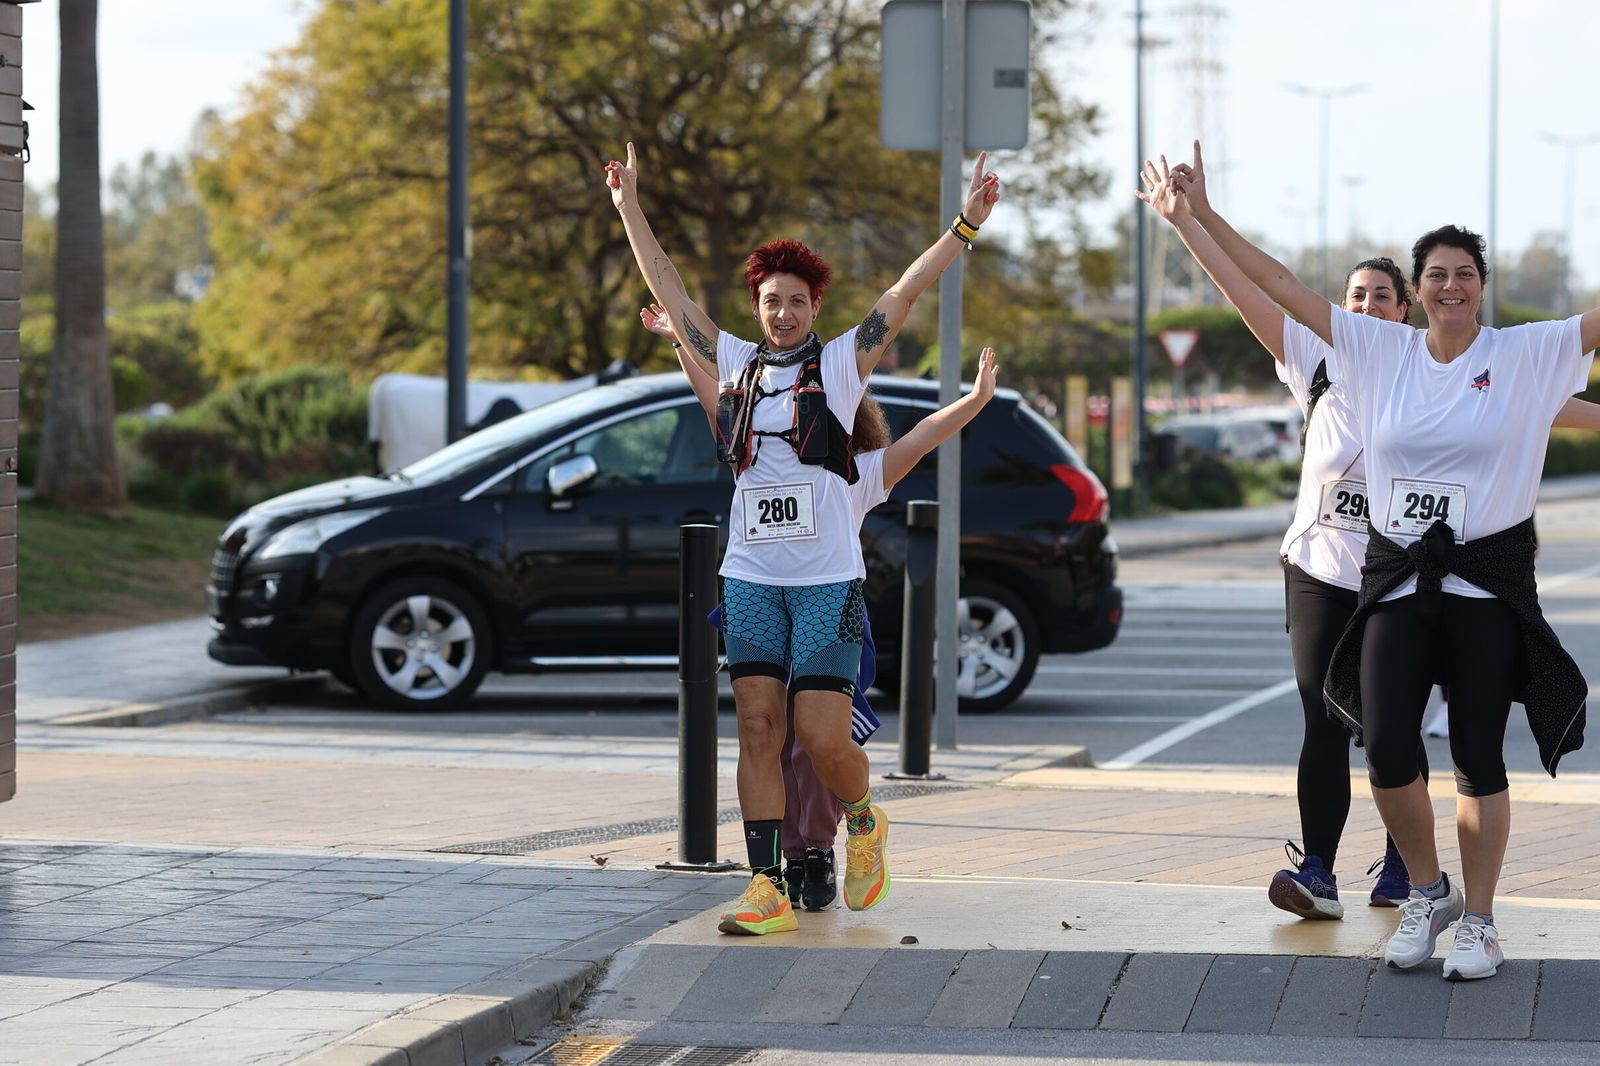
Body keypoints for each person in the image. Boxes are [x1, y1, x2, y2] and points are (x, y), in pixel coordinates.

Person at [1140, 146, 1595, 982]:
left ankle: (1483, 922)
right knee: (1383, 740)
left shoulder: (1526, 353)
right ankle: (1425, 890)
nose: (1449, 286)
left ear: (1481, 286)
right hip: (1391, 578)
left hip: (1485, 581)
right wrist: (1196, 218)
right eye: (1435, 274)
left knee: (1477, 754)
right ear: (1416, 289)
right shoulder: (1376, 352)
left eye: (1464, 273)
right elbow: (1275, 285)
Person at [608, 140, 1000, 935]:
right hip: (750, 575)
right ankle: (765, 886)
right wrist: (629, 209)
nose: (781, 311)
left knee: (823, 740)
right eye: (770, 300)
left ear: (813, 308)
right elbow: (671, 288)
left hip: (827, 584)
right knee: (757, 727)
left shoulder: (843, 365)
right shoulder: (736, 365)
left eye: (794, 300)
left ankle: (863, 817)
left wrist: (962, 227)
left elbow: (904, 290)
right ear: (756, 307)